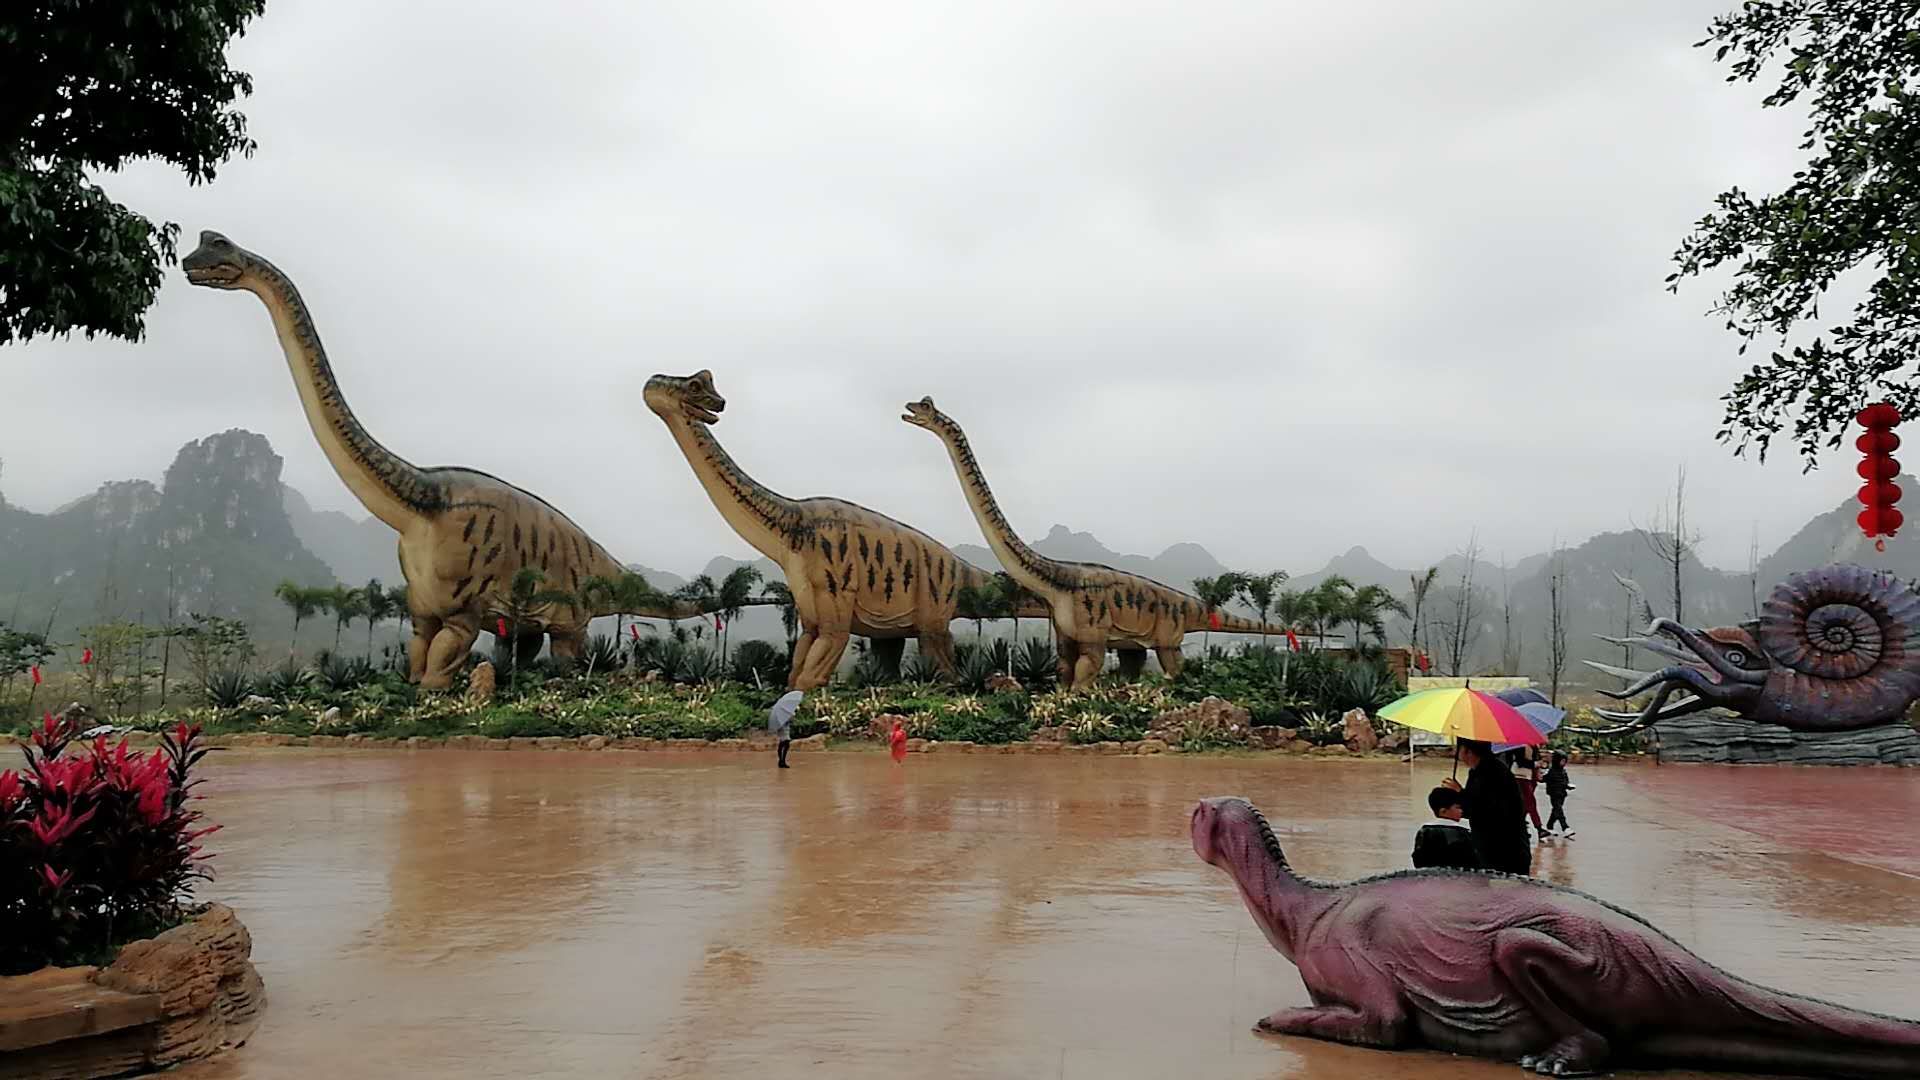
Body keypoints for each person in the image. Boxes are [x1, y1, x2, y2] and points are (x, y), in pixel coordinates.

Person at [1442, 739, 1531, 875]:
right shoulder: (1478, 771)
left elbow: (1486, 810)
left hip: (1506, 850)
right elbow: (1471, 809)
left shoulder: (1492, 773)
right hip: (1490, 847)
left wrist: (1460, 792)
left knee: (1508, 893)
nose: (1456, 752)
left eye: (1458, 748)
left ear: (1467, 750)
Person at [1411, 786, 1480, 870]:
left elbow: (1418, 860)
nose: (1462, 810)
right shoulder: (1462, 833)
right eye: (1458, 807)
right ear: (1443, 811)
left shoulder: (1424, 831)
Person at [1513, 747, 1548, 840]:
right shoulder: (1521, 746)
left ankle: (1521, 828)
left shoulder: (1534, 747)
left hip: (1530, 777)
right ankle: (1539, 828)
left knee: (1525, 805)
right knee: (1530, 803)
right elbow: (1520, 762)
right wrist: (1535, 764)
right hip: (1521, 776)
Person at [1543, 750, 1576, 838]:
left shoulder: (1563, 772)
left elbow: (1565, 781)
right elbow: (1543, 779)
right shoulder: (1551, 771)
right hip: (1554, 793)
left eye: (1564, 761)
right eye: (1562, 761)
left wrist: (1568, 786)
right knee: (1559, 810)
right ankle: (1565, 827)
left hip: (1562, 793)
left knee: (1556, 810)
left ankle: (1549, 826)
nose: (1563, 763)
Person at [768, 689, 804, 769]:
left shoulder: (785, 709)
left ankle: (781, 760)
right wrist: (791, 717)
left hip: (784, 727)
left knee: (783, 742)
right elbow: (787, 719)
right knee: (786, 742)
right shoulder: (783, 710)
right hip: (782, 726)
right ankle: (782, 760)